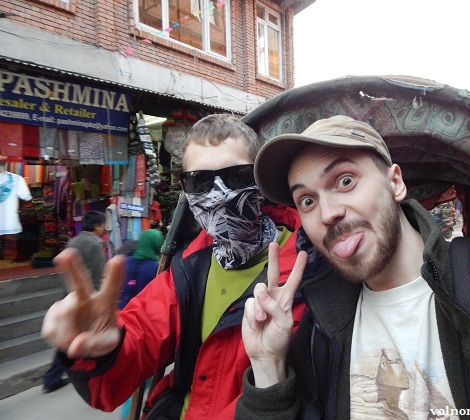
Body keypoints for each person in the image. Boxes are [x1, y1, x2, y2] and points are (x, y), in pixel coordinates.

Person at [236, 115, 470, 418]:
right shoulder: (318, 331)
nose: (328, 213)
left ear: (395, 183)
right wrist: (268, 364)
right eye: (307, 200)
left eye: (345, 181)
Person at [41, 114, 318, 419]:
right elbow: (136, 343)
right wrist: (102, 349)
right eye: (199, 181)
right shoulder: (187, 268)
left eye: (237, 176)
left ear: (259, 179)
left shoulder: (310, 271)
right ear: (186, 190)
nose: (218, 195)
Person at [42, 209, 107, 393]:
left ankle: (55, 377)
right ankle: (55, 377)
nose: (105, 228)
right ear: (97, 226)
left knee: (72, 338)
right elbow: (98, 276)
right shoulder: (94, 244)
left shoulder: (74, 241)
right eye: (103, 224)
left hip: (70, 296)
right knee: (77, 340)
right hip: (86, 300)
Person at [117, 228, 164, 420]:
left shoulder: (126, 262)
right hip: (143, 327)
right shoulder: (156, 268)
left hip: (121, 322)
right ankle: (129, 414)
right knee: (141, 377)